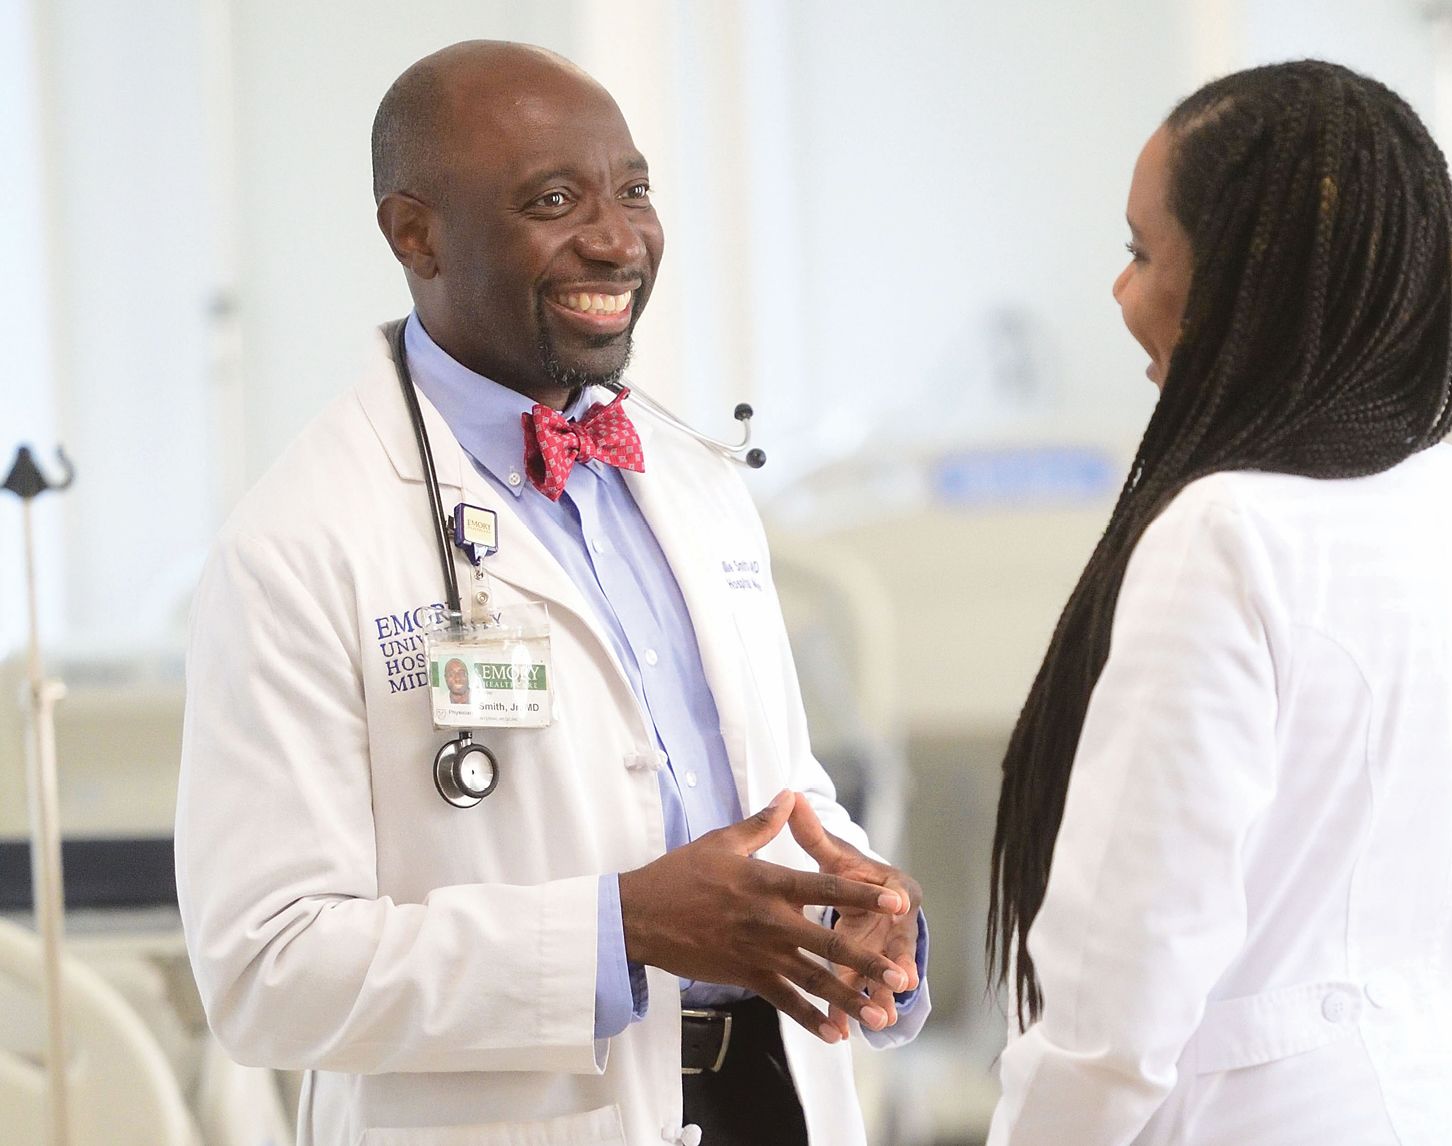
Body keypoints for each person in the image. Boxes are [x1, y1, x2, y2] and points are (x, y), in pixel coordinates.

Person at [175, 40, 928, 1146]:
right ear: (412, 232)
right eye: (554, 200)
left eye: (633, 191)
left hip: (770, 1098)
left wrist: (862, 911)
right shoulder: (299, 544)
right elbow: (265, 967)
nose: (617, 239)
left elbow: (775, 790)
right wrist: (617, 931)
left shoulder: (693, 483)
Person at [985, 60, 1452, 1145]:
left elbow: (1117, 1002)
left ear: (1244, 282)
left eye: (1143, 252)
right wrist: (1412, 1070)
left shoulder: (1221, 533)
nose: (1120, 293)